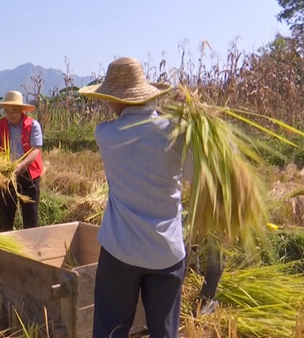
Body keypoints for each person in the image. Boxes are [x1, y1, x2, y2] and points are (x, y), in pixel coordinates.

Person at [77, 57, 193, 338]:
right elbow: (197, 175)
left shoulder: (105, 134)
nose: (108, 104)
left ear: (118, 100)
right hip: (165, 250)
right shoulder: (177, 134)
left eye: (109, 98)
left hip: (121, 250)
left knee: (111, 329)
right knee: (164, 332)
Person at [0, 90, 43, 232]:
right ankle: (7, 249)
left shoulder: (33, 125)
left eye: (14, 111)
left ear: (21, 110)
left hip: (29, 175)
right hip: (6, 175)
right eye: (7, 111)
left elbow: (35, 150)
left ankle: (30, 250)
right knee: (6, 216)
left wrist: (21, 165)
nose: (10, 115)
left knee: (30, 217)